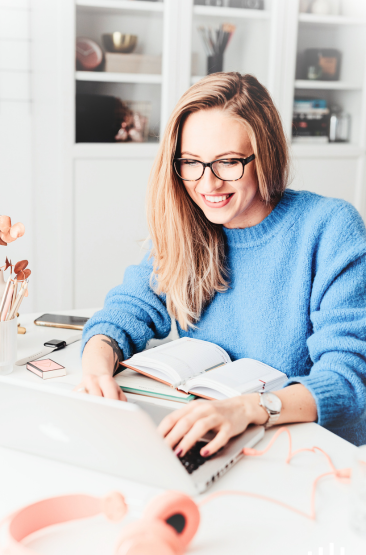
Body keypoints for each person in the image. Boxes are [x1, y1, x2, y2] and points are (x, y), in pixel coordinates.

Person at [76, 72, 366, 455]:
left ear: (267, 154)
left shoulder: (329, 228)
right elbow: (125, 311)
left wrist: (249, 409)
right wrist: (97, 365)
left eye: (228, 162)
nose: (208, 184)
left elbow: (349, 382)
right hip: (209, 438)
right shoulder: (186, 225)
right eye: (191, 162)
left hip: (300, 450)